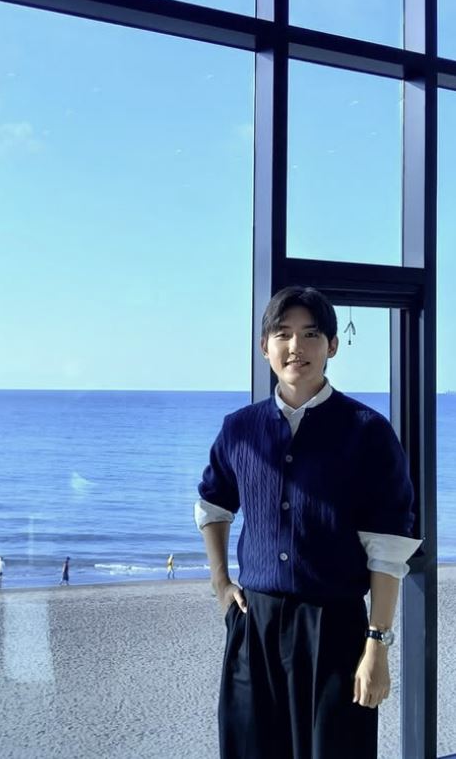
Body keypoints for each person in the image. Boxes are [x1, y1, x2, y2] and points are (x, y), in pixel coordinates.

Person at [194, 286, 422, 759]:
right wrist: (220, 582)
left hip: (334, 628)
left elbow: (387, 545)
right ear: (265, 347)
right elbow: (212, 505)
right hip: (253, 625)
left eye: (310, 334)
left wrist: (377, 643)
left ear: (332, 346)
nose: (295, 346)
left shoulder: (367, 431)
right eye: (283, 334)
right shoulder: (239, 428)